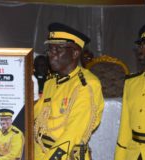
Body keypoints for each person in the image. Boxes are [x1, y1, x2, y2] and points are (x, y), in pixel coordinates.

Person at [33, 23, 104, 160]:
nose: (51, 54)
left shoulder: (87, 84)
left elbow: (73, 133)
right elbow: (38, 117)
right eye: (50, 49)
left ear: (75, 53)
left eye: (58, 49)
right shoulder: (51, 83)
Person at [115, 24, 145, 160]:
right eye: (140, 46)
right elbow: (125, 127)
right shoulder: (131, 83)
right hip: (133, 154)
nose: (140, 51)